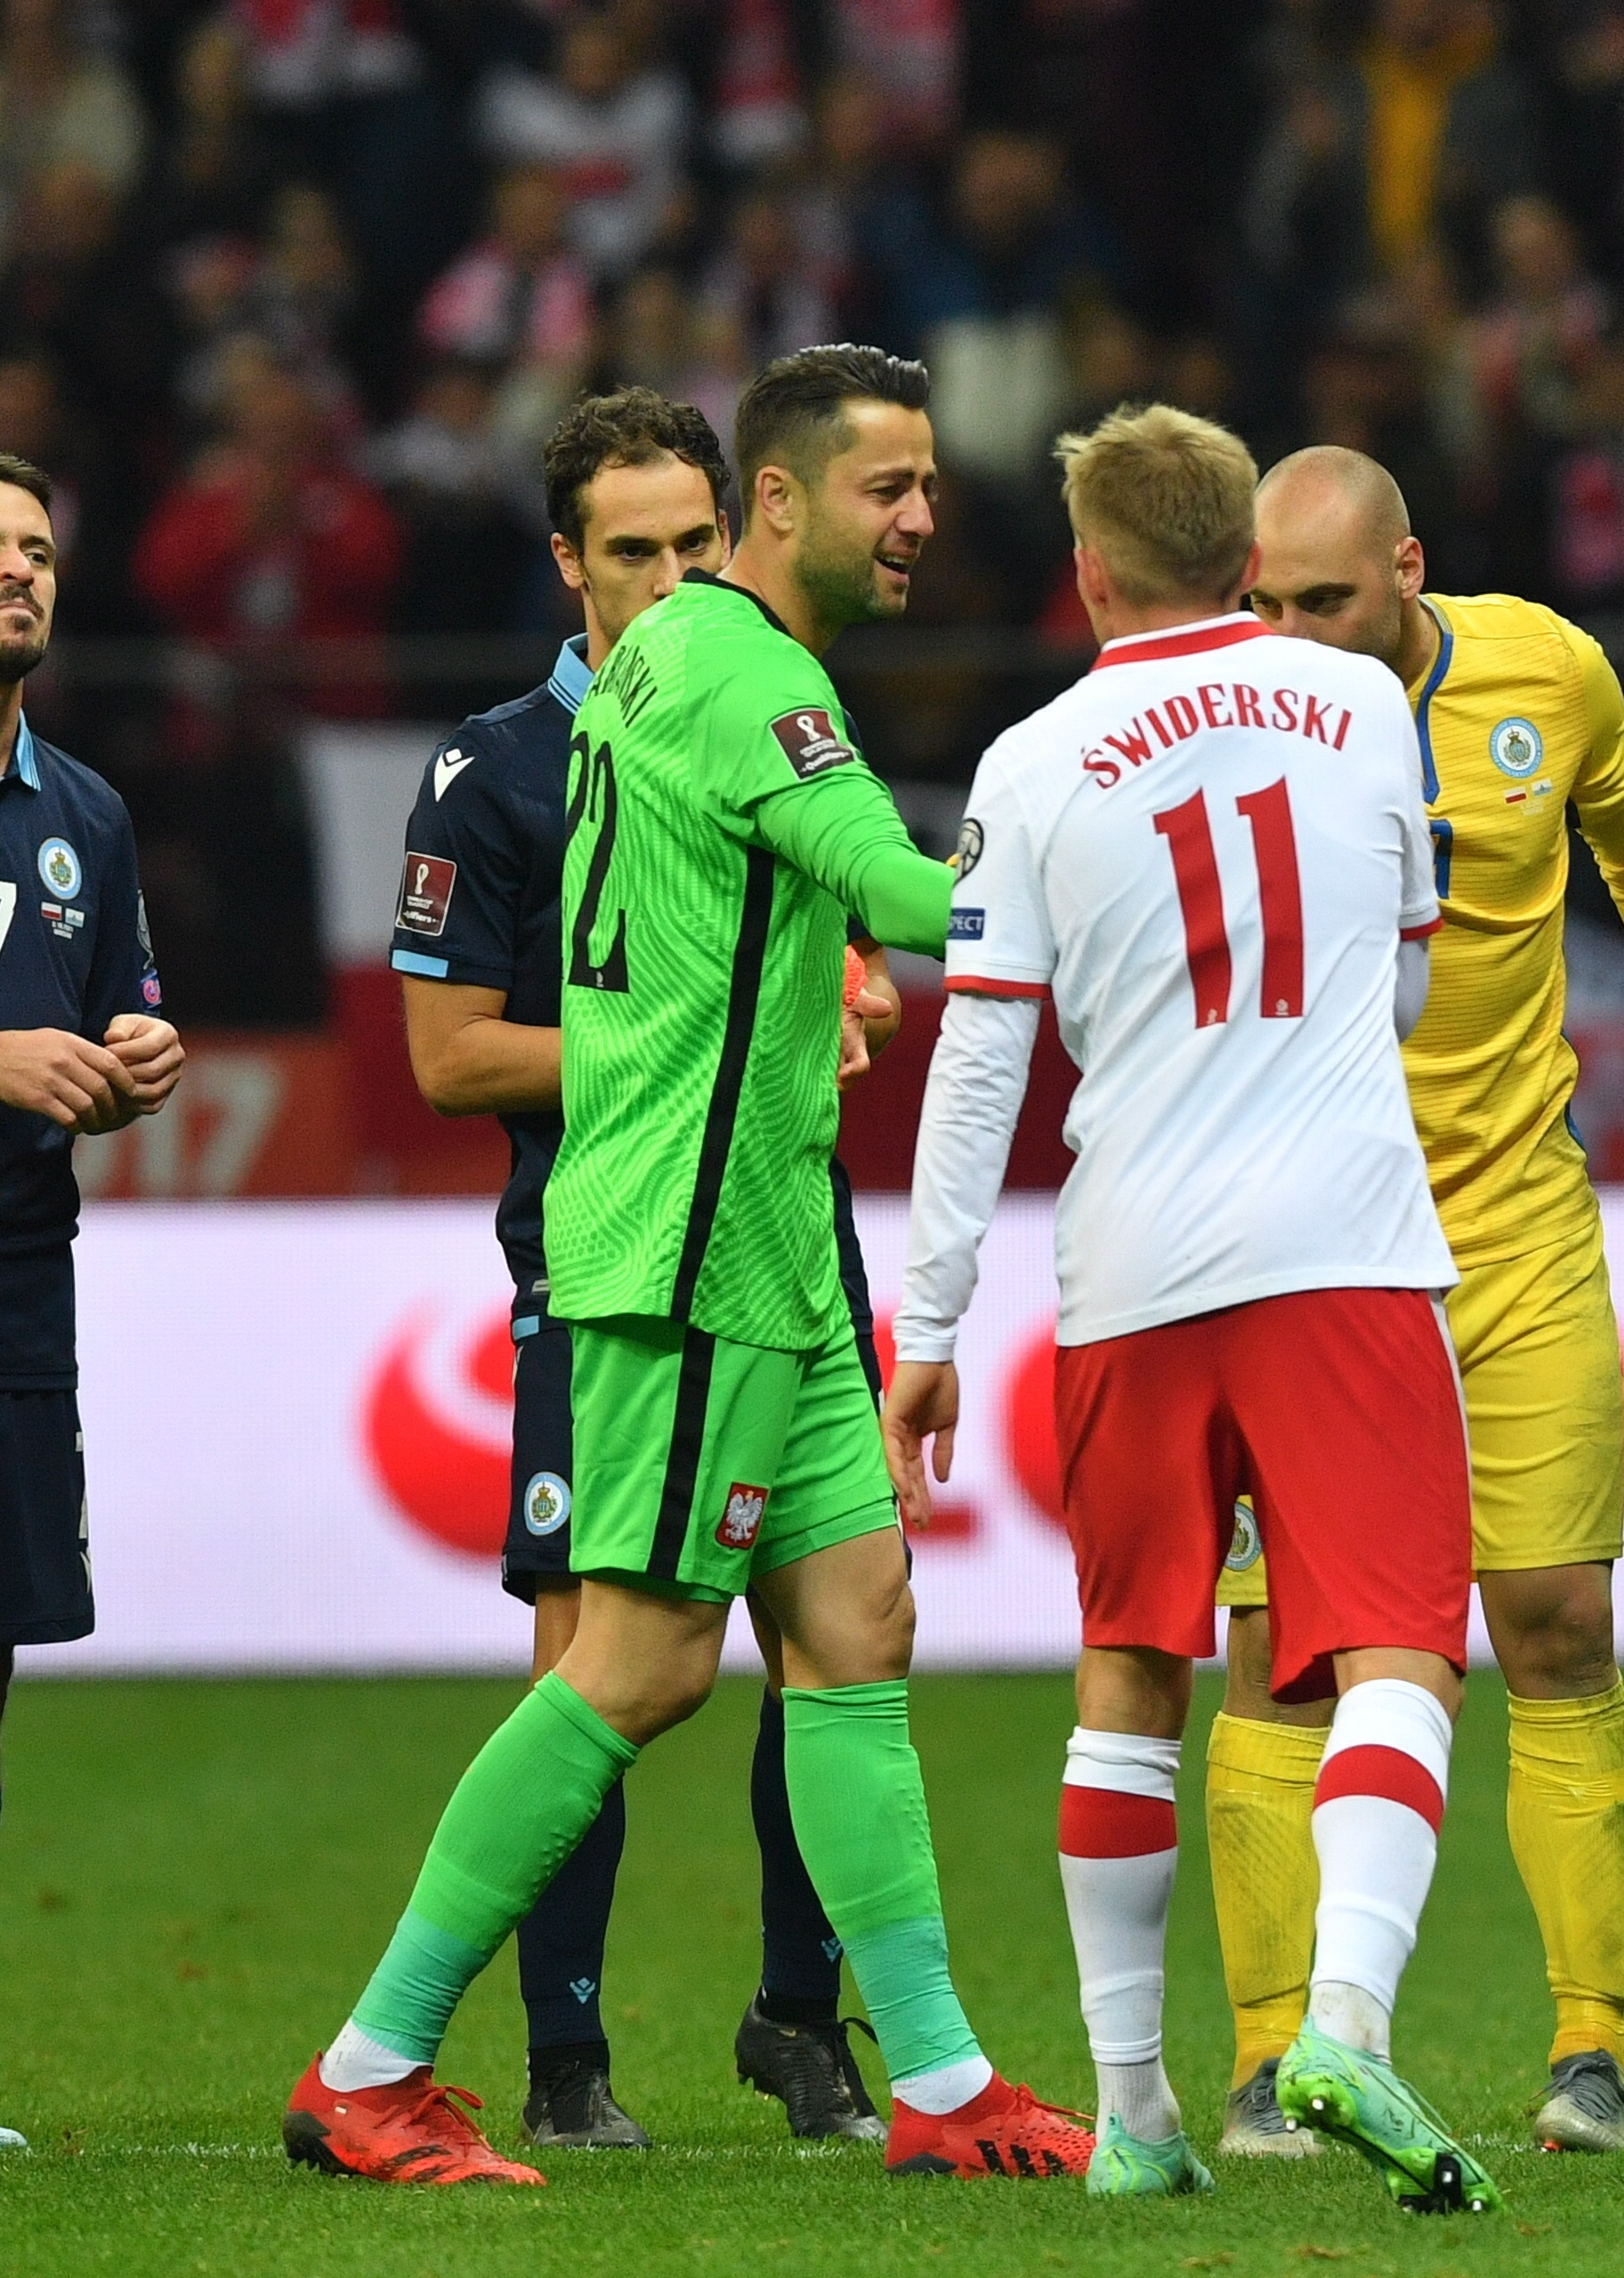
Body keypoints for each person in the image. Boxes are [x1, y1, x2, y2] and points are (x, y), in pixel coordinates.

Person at [283, 344, 1085, 2187]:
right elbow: (903, 887)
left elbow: (791, 919)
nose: (924, 520)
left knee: (857, 1628)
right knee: (637, 1664)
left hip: (779, 1246)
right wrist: (1101, 841)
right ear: (788, 501)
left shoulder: (673, 662)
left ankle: (945, 2081)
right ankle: (373, 2061)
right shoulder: (737, 663)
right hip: (690, 1245)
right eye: (892, 484)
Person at [886, 402, 1496, 2213]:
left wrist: (928, 1321)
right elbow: (1397, 987)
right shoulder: (1371, 706)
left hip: (1134, 1265)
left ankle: (1139, 2110)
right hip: (1345, 1247)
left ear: (1087, 576)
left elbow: (980, 1059)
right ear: (1245, 557)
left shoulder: (1033, 759)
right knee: (1396, 1645)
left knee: (1132, 1668)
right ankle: (1352, 2024)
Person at [1219, 443, 1624, 2156]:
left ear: (1408, 570)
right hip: (1301, 1255)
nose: (1287, 634)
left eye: (1321, 601)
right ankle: (1271, 2061)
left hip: (1515, 1232)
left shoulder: (1548, 672)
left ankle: (1589, 2053)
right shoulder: (1219, 715)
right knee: (1280, 1656)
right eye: (1259, 601)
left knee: (1554, 1620)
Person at [384, 387, 893, 2151]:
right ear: (565, 566)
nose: (675, 578)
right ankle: (561, 2051)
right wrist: (692, 1037)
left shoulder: (763, 706)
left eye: (696, 543)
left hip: (788, 1227)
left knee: (843, 1622)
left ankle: (808, 2021)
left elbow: (821, 941)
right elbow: (450, 1057)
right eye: (634, 552)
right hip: (611, 1259)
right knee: (603, 1653)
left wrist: (835, 991)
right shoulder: (495, 765)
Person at [0, 451, 184, 2156]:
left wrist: (136, 1060)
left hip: (14, 1289)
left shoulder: (85, 814)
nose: (20, 574)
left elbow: (119, 1006)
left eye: (41, 551)